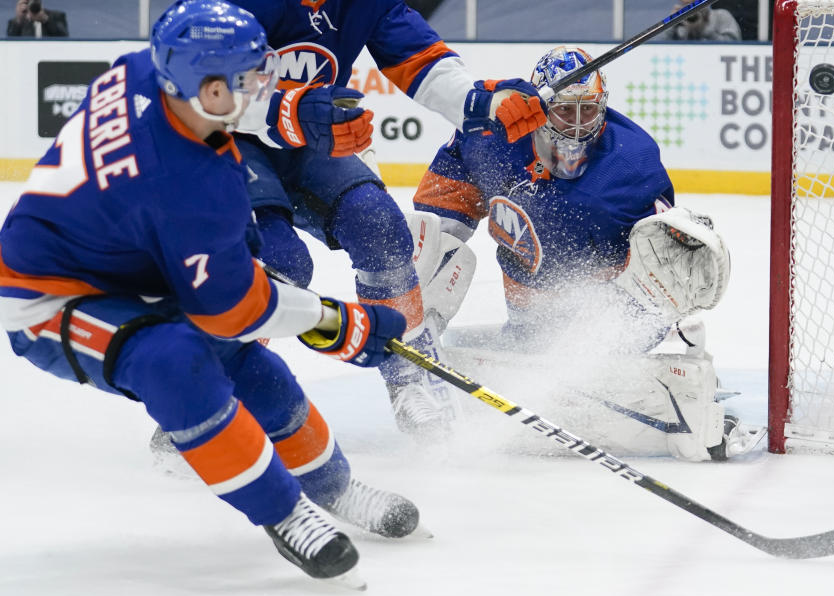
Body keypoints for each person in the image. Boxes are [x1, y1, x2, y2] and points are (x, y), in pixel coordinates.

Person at [0, 0, 423, 588]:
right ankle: (285, 511)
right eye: (237, 84)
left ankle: (335, 487)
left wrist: (292, 110)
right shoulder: (183, 180)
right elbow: (234, 307)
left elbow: (239, 117)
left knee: (247, 364)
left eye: (256, 75)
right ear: (195, 84)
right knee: (176, 360)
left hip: (132, 259)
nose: (252, 92)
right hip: (52, 297)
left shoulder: (142, 71)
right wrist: (343, 324)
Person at [411, 46, 751, 462]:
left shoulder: (631, 164)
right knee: (426, 247)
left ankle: (671, 401)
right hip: (526, 314)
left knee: (584, 374)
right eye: (563, 112)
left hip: (608, 315)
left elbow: (663, 262)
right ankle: (414, 374)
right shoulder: (488, 137)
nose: (575, 127)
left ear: (603, 108)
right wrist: (412, 290)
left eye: (587, 112)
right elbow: (439, 216)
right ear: (537, 108)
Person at [226, 0, 548, 438]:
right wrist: (295, 111)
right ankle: (214, 391)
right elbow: (201, 92)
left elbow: (421, 59)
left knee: (380, 227)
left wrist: (479, 102)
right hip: (226, 145)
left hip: (307, 141)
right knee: (279, 262)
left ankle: (410, 379)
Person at [661, 0, 742, 41]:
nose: (690, 12)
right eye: (685, 5)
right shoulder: (678, 21)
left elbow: (734, 44)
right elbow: (658, 46)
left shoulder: (721, 16)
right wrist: (671, 23)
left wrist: (704, 30)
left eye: (693, 5)